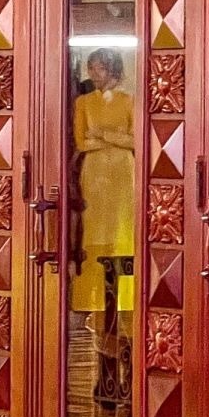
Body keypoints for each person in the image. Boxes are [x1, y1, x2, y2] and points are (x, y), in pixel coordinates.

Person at [71, 48, 136, 316]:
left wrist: (103, 134)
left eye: (98, 67)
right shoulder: (84, 103)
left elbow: (136, 140)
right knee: (94, 230)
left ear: (112, 70)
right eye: (91, 67)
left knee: (122, 227)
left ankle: (125, 297)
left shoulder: (129, 100)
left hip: (123, 172)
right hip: (95, 173)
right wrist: (114, 137)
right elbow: (81, 142)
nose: (93, 73)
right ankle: (92, 298)